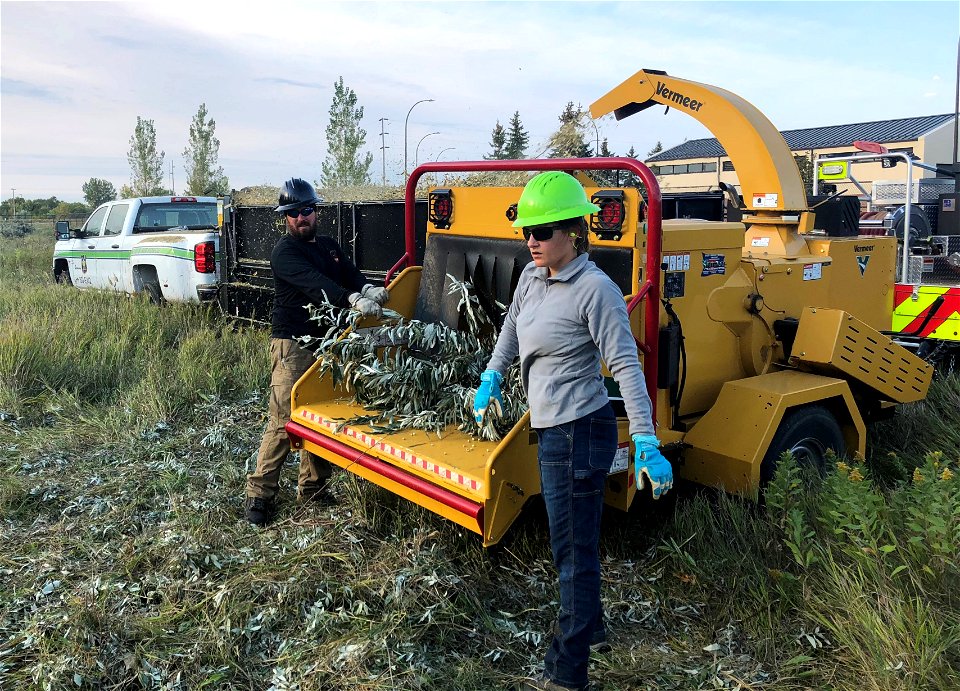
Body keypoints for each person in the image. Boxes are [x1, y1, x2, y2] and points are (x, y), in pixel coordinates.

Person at [473, 172, 674, 691]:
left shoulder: (596, 290)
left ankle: (568, 669)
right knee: (576, 542)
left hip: (579, 432)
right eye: (527, 232)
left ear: (573, 232)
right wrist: (493, 374)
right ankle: (595, 627)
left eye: (543, 232)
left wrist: (647, 442)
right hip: (552, 430)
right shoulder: (532, 277)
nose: (531, 241)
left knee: (571, 550)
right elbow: (512, 329)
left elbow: (626, 367)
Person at [244, 178, 390, 526]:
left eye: (306, 210)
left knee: (322, 418)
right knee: (284, 421)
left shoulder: (328, 246)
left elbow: (348, 274)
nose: (301, 218)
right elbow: (317, 285)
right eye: (293, 213)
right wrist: (352, 299)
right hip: (293, 346)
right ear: (285, 217)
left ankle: (313, 490)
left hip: (328, 346)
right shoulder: (285, 253)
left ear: (316, 212)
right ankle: (260, 496)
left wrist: (368, 287)